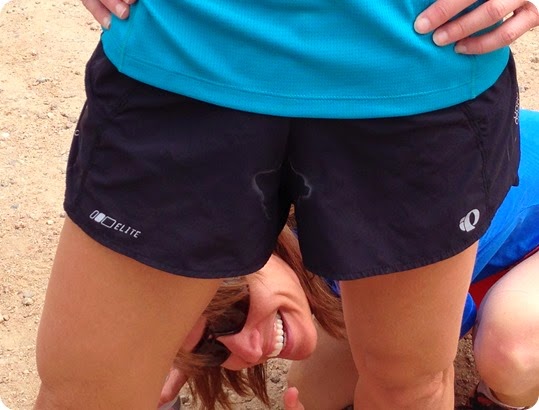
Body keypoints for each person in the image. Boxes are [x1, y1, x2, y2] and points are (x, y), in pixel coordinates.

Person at [33, 0, 538, 409]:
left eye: (225, 322)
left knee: (410, 385)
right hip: (181, 54)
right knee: (85, 395)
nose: (245, 348)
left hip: (420, 73)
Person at [155, 110, 539, 410]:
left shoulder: (364, 231)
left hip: (497, 231)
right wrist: (178, 352)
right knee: (313, 395)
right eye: (214, 349)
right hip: (452, 239)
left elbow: (428, 362)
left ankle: (502, 397)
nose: (250, 351)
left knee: (507, 351)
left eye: (232, 317)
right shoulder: (267, 212)